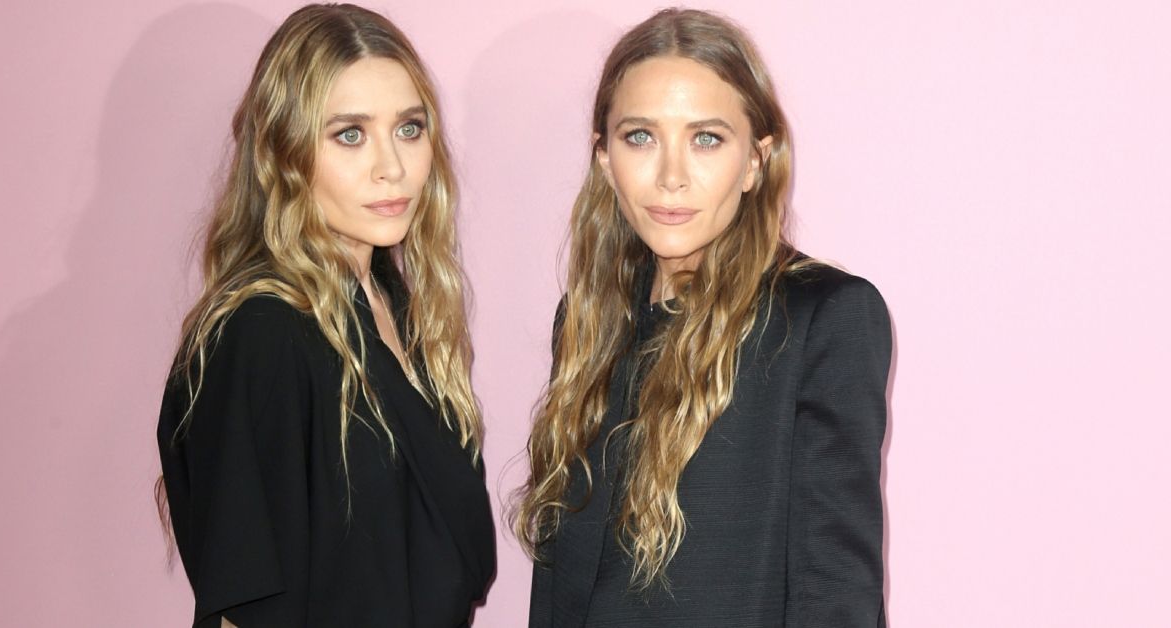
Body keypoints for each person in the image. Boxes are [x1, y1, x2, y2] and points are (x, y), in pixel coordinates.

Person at [514, 8, 892, 627]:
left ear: (755, 161)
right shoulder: (584, 321)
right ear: (604, 158)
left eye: (706, 139)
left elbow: (837, 593)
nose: (671, 178)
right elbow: (559, 584)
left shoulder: (825, 319)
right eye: (640, 137)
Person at [155, 5, 494, 627]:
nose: (392, 166)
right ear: (283, 152)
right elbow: (244, 609)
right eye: (350, 134)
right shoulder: (260, 334)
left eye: (410, 128)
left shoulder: (400, 311)